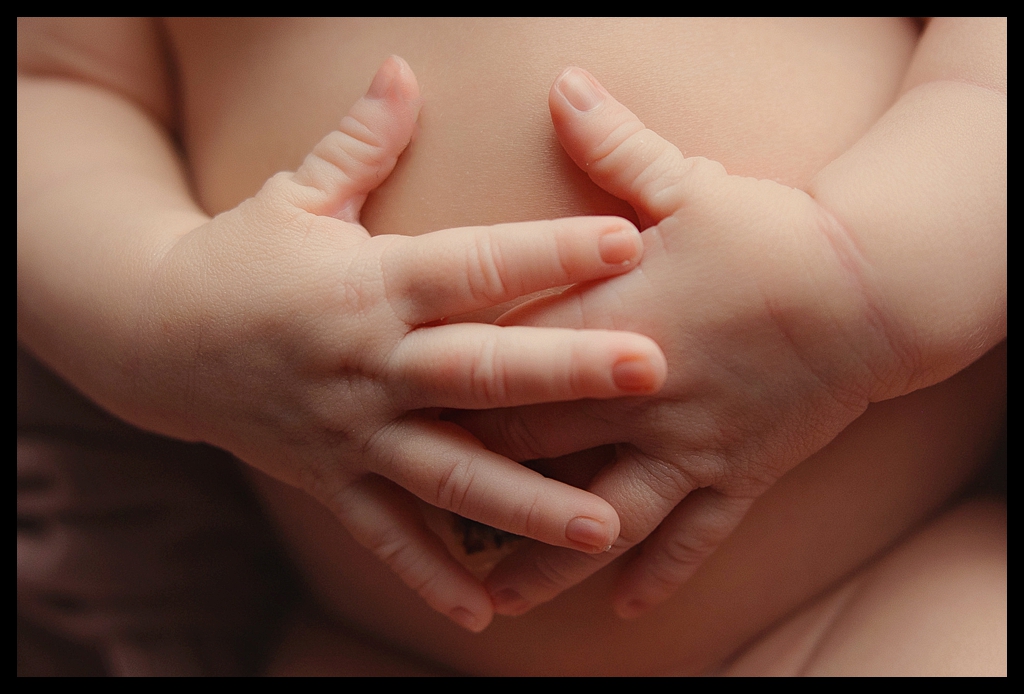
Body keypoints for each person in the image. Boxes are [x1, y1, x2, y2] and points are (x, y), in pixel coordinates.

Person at [18, 18, 1005, 675]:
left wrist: (866, 283)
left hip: (867, 591)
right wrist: (153, 313)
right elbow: (47, 87)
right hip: (384, 639)